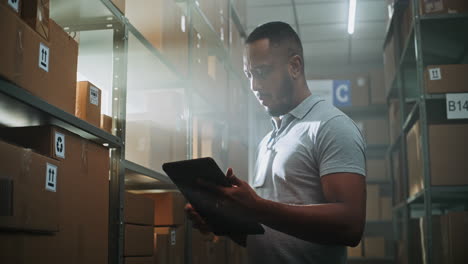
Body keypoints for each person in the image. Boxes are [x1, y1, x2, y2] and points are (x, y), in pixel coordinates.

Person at [185, 21, 366, 264]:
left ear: (294, 66)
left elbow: (351, 225)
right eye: (249, 75)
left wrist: (257, 207)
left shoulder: (331, 126)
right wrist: (222, 222)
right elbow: (267, 234)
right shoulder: (267, 141)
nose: (254, 86)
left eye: (262, 72)